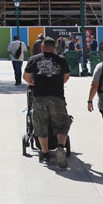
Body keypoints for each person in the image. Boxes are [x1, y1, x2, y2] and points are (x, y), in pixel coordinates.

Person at [23, 37, 71, 168]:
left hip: (39, 96)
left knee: (41, 124)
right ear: (55, 47)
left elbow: (25, 76)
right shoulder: (61, 59)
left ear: (42, 47)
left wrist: (33, 82)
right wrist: (57, 83)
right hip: (57, 96)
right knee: (62, 123)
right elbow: (66, 76)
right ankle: (60, 146)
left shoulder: (34, 59)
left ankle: (45, 154)